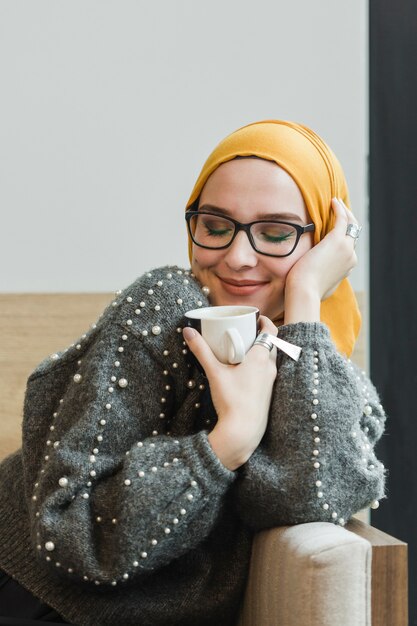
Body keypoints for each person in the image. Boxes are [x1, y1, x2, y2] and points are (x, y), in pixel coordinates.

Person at [0, 120, 386, 626]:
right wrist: (226, 443)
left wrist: (307, 299)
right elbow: (70, 530)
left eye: (276, 233)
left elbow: (309, 498)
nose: (238, 257)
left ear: (323, 244)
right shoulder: (164, 308)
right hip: (35, 597)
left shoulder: (327, 374)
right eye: (216, 225)